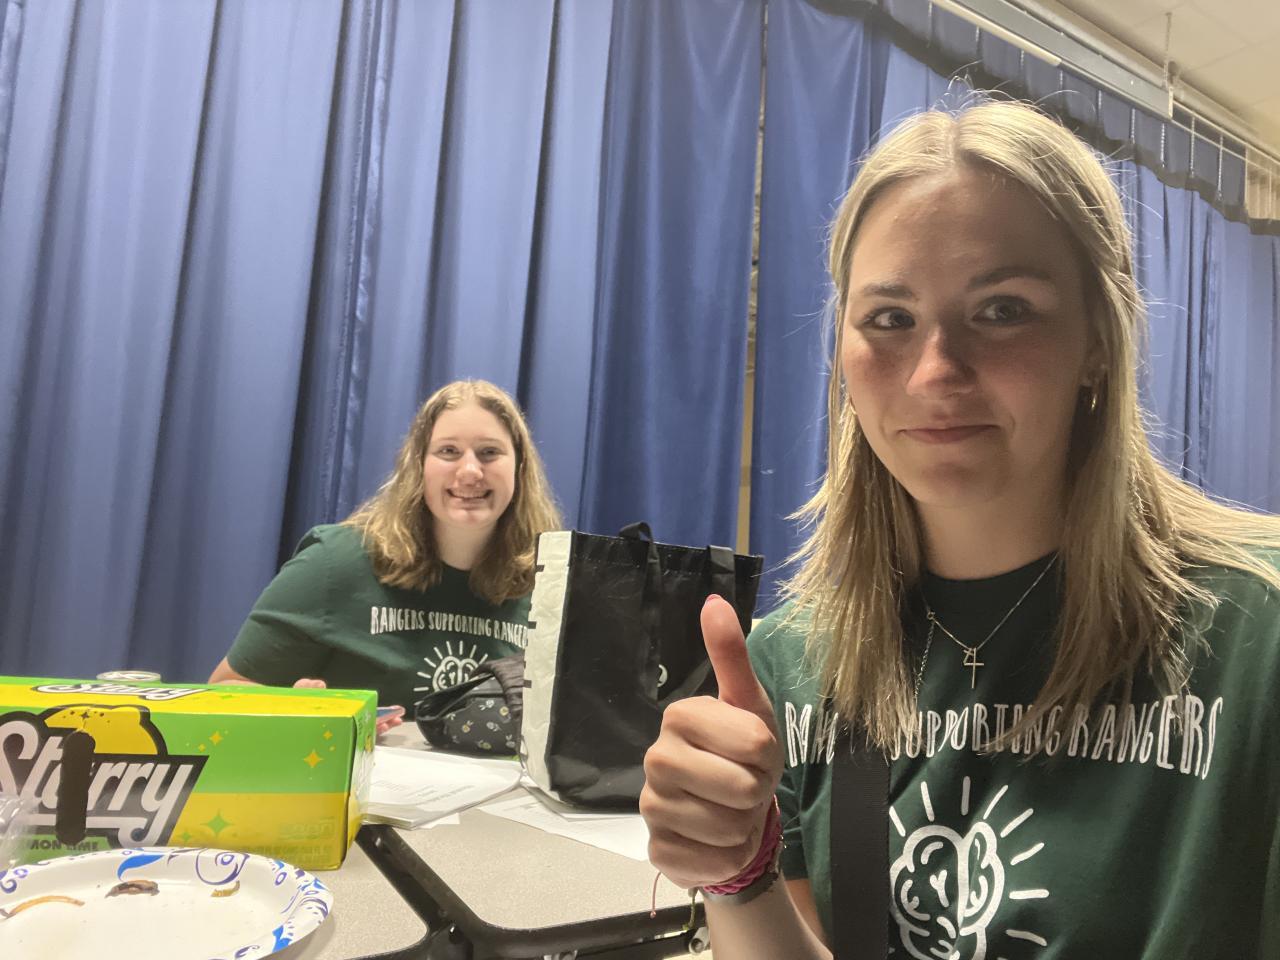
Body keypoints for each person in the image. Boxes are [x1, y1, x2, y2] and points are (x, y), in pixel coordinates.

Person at [640, 100, 1280, 959]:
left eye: (1003, 309)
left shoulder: (1257, 639)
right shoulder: (796, 665)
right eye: (890, 319)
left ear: (1099, 339)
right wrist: (737, 874)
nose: (936, 372)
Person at [210, 379, 563, 731]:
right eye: (448, 451)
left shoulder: (549, 582)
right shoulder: (335, 562)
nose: (470, 471)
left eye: (489, 452)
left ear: (519, 468)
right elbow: (222, 693)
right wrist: (302, 714)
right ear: (418, 466)